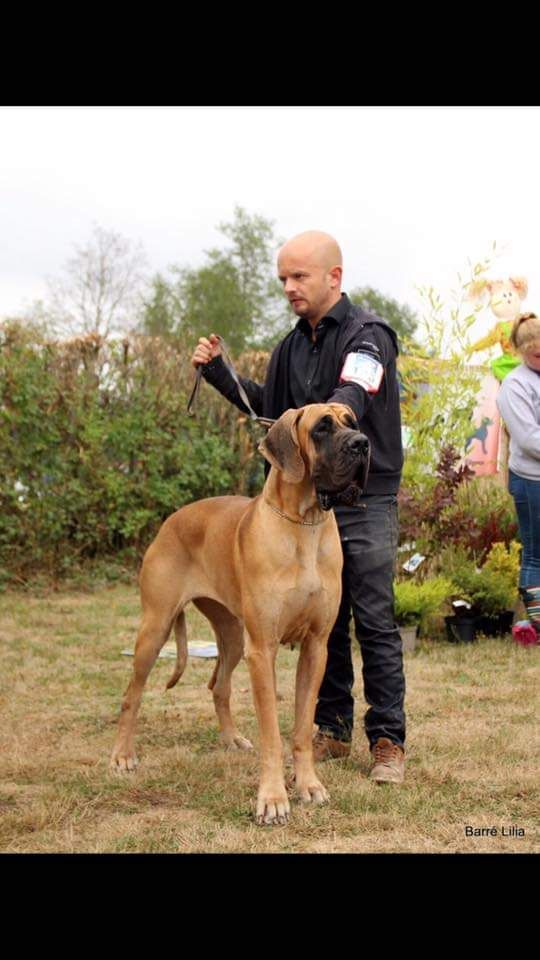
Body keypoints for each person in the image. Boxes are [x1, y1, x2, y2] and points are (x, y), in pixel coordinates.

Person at [191, 231, 406, 783]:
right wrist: (219, 372)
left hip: (363, 493)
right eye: (283, 278)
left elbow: (354, 394)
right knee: (324, 626)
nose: (289, 287)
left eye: (299, 277)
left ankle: (387, 740)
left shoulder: (368, 335)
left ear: (334, 277)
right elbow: (274, 410)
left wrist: (335, 423)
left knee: (375, 618)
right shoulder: (291, 346)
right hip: (307, 500)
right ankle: (330, 729)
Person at [496, 312, 540, 632]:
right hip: (531, 481)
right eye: (537, 353)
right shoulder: (514, 386)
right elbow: (528, 440)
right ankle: (537, 625)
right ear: (520, 352)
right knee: (536, 555)